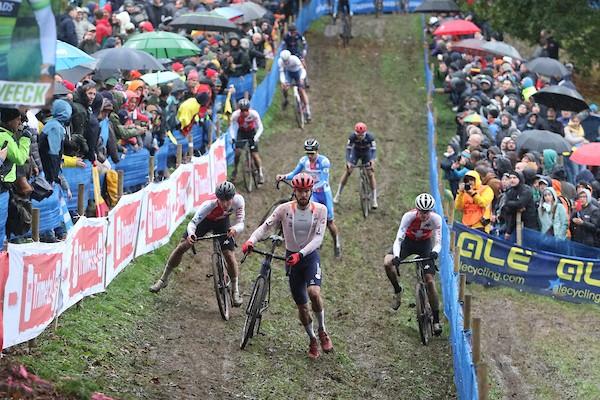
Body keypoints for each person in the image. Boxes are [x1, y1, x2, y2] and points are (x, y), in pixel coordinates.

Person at [242, 173, 333, 359]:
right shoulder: (284, 209)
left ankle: (322, 329)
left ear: (311, 191)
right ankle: (312, 338)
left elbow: (318, 238)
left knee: (314, 293)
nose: (303, 195)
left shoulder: (320, 210)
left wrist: (300, 254)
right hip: (291, 259)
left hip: (308, 258)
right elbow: (265, 226)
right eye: (300, 191)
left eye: (306, 191)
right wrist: (251, 240)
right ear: (295, 191)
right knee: (302, 307)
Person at [150, 181, 245, 307]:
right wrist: (191, 235)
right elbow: (193, 223)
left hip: (223, 223)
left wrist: (235, 229)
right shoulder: (209, 204)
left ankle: (235, 291)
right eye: (222, 200)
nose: (225, 204)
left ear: (233, 198)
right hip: (205, 221)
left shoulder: (239, 201)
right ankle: (163, 279)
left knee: (229, 255)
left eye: (228, 200)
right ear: (217, 198)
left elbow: (241, 223)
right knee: (182, 246)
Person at [382, 193, 443, 335]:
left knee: (430, 282)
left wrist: (435, 252)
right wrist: (397, 256)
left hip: (425, 245)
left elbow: (439, 241)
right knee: (387, 263)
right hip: (407, 242)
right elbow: (398, 239)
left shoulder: (436, 219)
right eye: (421, 211)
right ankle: (398, 290)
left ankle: (436, 320)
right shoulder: (408, 216)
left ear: (431, 211)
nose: (423, 215)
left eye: (426, 212)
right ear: (417, 209)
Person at [276, 138, 342, 259]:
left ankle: (336, 244)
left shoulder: (324, 162)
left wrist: (309, 188)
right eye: (308, 153)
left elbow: (323, 180)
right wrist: (284, 176)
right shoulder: (303, 160)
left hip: (323, 194)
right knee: (311, 218)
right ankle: (314, 242)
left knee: (330, 222)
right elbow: (295, 173)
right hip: (313, 194)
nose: (310, 156)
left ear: (317, 151)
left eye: (312, 153)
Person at [333, 122, 378, 208]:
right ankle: (338, 194)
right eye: (358, 135)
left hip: (367, 154)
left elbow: (373, 150)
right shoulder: (352, 137)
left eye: (362, 135)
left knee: (370, 174)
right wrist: (348, 162)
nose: (360, 137)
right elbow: (348, 151)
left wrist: (372, 160)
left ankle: (374, 199)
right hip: (356, 153)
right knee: (347, 172)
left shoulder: (370, 137)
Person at [230, 98, 265, 184]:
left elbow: (260, 127)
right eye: (242, 110)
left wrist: (256, 137)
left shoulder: (254, 114)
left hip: (251, 132)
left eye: (246, 110)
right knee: (238, 152)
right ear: (240, 110)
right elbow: (232, 128)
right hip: (241, 133)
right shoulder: (235, 115)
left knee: (254, 155)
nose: (244, 112)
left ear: (248, 109)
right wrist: (232, 137)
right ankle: (235, 169)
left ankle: (260, 173)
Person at [278, 49, 311, 122]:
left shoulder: (295, 59)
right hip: (289, 74)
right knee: (284, 88)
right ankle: (286, 99)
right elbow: (282, 73)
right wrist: (283, 82)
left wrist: (302, 78)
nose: (286, 62)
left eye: (287, 60)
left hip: (298, 73)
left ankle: (307, 109)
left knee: (301, 90)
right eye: (284, 61)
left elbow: (303, 70)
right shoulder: (280, 61)